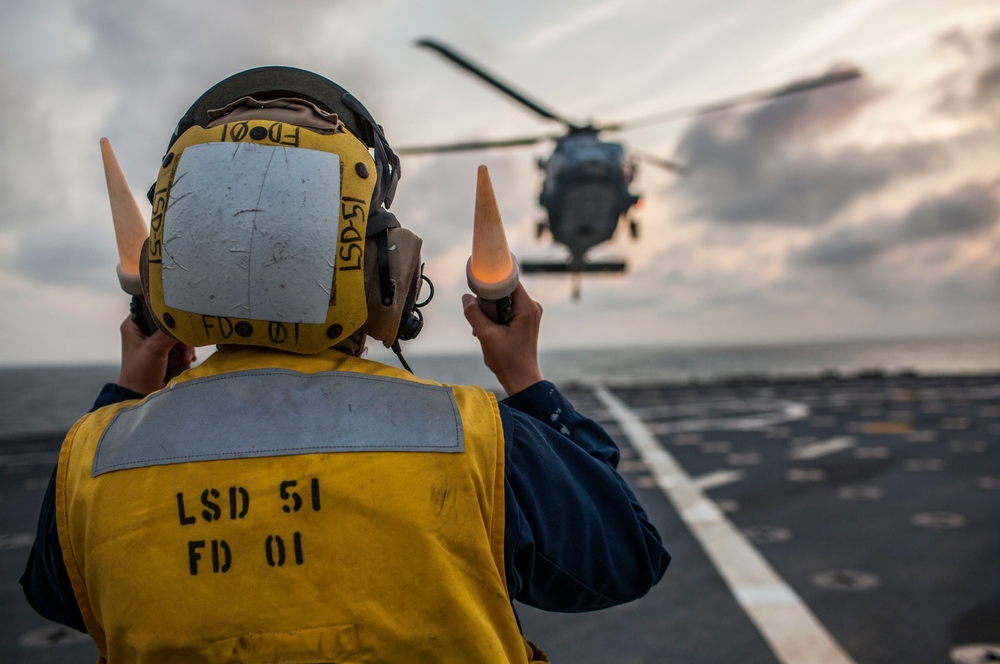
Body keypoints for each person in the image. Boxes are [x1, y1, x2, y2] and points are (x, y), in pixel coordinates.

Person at [21, 67, 668, 663]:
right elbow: (628, 558)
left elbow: (58, 593)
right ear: (389, 271)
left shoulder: (93, 461)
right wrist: (527, 381)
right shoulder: (472, 439)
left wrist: (127, 394)